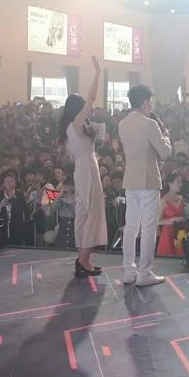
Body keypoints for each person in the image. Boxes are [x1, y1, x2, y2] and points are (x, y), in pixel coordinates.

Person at [117, 84, 172, 287]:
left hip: (131, 180)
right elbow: (165, 152)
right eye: (150, 102)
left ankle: (128, 271)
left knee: (131, 227)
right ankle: (144, 272)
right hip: (148, 180)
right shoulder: (150, 124)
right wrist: (166, 136)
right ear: (144, 102)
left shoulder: (122, 124)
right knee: (148, 228)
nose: (151, 105)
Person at [59, 56, 106, 277]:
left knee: (82, 215)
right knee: (91, 213)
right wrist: (97, 72)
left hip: (82, 168)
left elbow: (71, 156)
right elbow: (92, 97)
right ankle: (84, 260)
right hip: (88, 168)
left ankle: (82, 259)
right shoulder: (78, 122)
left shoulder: (67, 128)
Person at [157, 172, 186, 257]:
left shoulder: (181, 199)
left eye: (181, 182)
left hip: (179, 233)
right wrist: (171, 220)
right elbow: (157, 221)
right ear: (170, 183)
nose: (180, 185)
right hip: (167, 234)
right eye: (178, 182)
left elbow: (183, 215)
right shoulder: (163, 201)